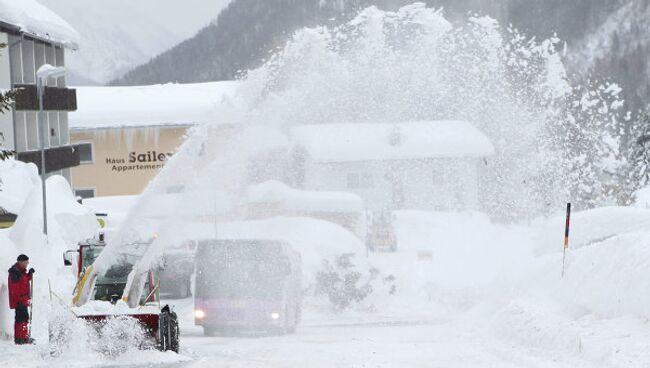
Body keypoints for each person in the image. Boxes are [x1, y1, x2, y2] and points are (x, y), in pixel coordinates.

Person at [8, 254, 35, 345]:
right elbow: (14, 289)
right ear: (21, 262)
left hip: (22, 300)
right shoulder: (15, 272)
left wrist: (29, 275)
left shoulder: (21, 271)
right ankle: (20, 338)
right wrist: (18, 301)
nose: (27, 264)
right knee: (20, 319)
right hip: (19, 301)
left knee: (23, 318)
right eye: (26, 262)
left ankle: (23, 337)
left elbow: (23, 281)